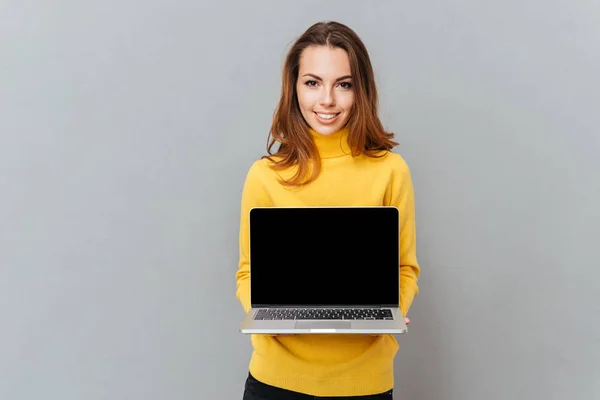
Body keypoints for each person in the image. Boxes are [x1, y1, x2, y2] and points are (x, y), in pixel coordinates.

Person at [235, 21, 420, 399]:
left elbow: (405, 268)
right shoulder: (264, 176)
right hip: (276, 380)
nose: (327, 100)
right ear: (295, 87)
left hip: (364, 381)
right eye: (313, 82)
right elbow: (247, 271)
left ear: (361, 90)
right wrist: (268, 315)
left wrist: (392, 309)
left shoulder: (390, 170)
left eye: (344, 84)